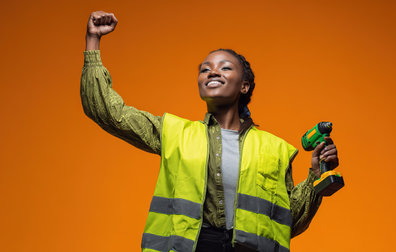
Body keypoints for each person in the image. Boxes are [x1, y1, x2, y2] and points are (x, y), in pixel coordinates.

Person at [81, 11, 339, 252]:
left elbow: (286, 224)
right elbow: (108, 112)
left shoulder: (275, 149)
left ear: (244, 86)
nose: (212, 71)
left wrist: (315, 178)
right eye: (205, 69)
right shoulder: (175, 132)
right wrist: (93, 42)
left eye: (225, 67)